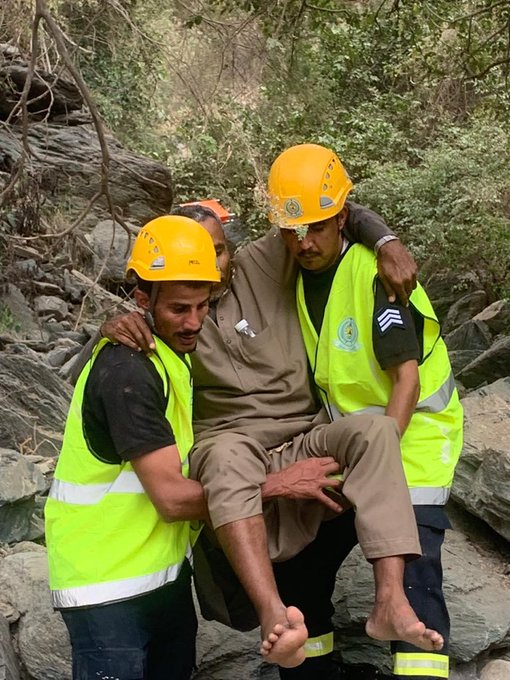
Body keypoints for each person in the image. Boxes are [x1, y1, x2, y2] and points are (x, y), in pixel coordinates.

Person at [99, 201, 444, 678]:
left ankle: (389, 599)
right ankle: (273, 616)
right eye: (196, 257)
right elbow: (115, 362)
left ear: (231, 248)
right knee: (224, 457)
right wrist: (112, 323)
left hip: (306, 433)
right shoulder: (174, 313)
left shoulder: (262, 262)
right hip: (231, 442)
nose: (210, 265)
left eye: (218, 250)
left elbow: (329, 208)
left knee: (375, 429)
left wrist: (387, 241)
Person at [268, 143, 464, 680]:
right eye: (292, 231)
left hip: (412, 445)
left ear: (340, 219)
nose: (303, 243)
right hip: (352, 448)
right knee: (302, 567)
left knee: (413, 581)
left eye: (315, 228)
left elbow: (407, 381)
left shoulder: (377, 277)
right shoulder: (297, 273)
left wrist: (375, 468)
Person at [45, 215, 223, 680]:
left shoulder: (168, 354)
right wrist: (273, 488)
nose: (194, 322)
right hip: (106, 590)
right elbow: (172, 499)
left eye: (203, 306)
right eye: (179, 309)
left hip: (162, 576)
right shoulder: (128, 369)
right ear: (143, 299)